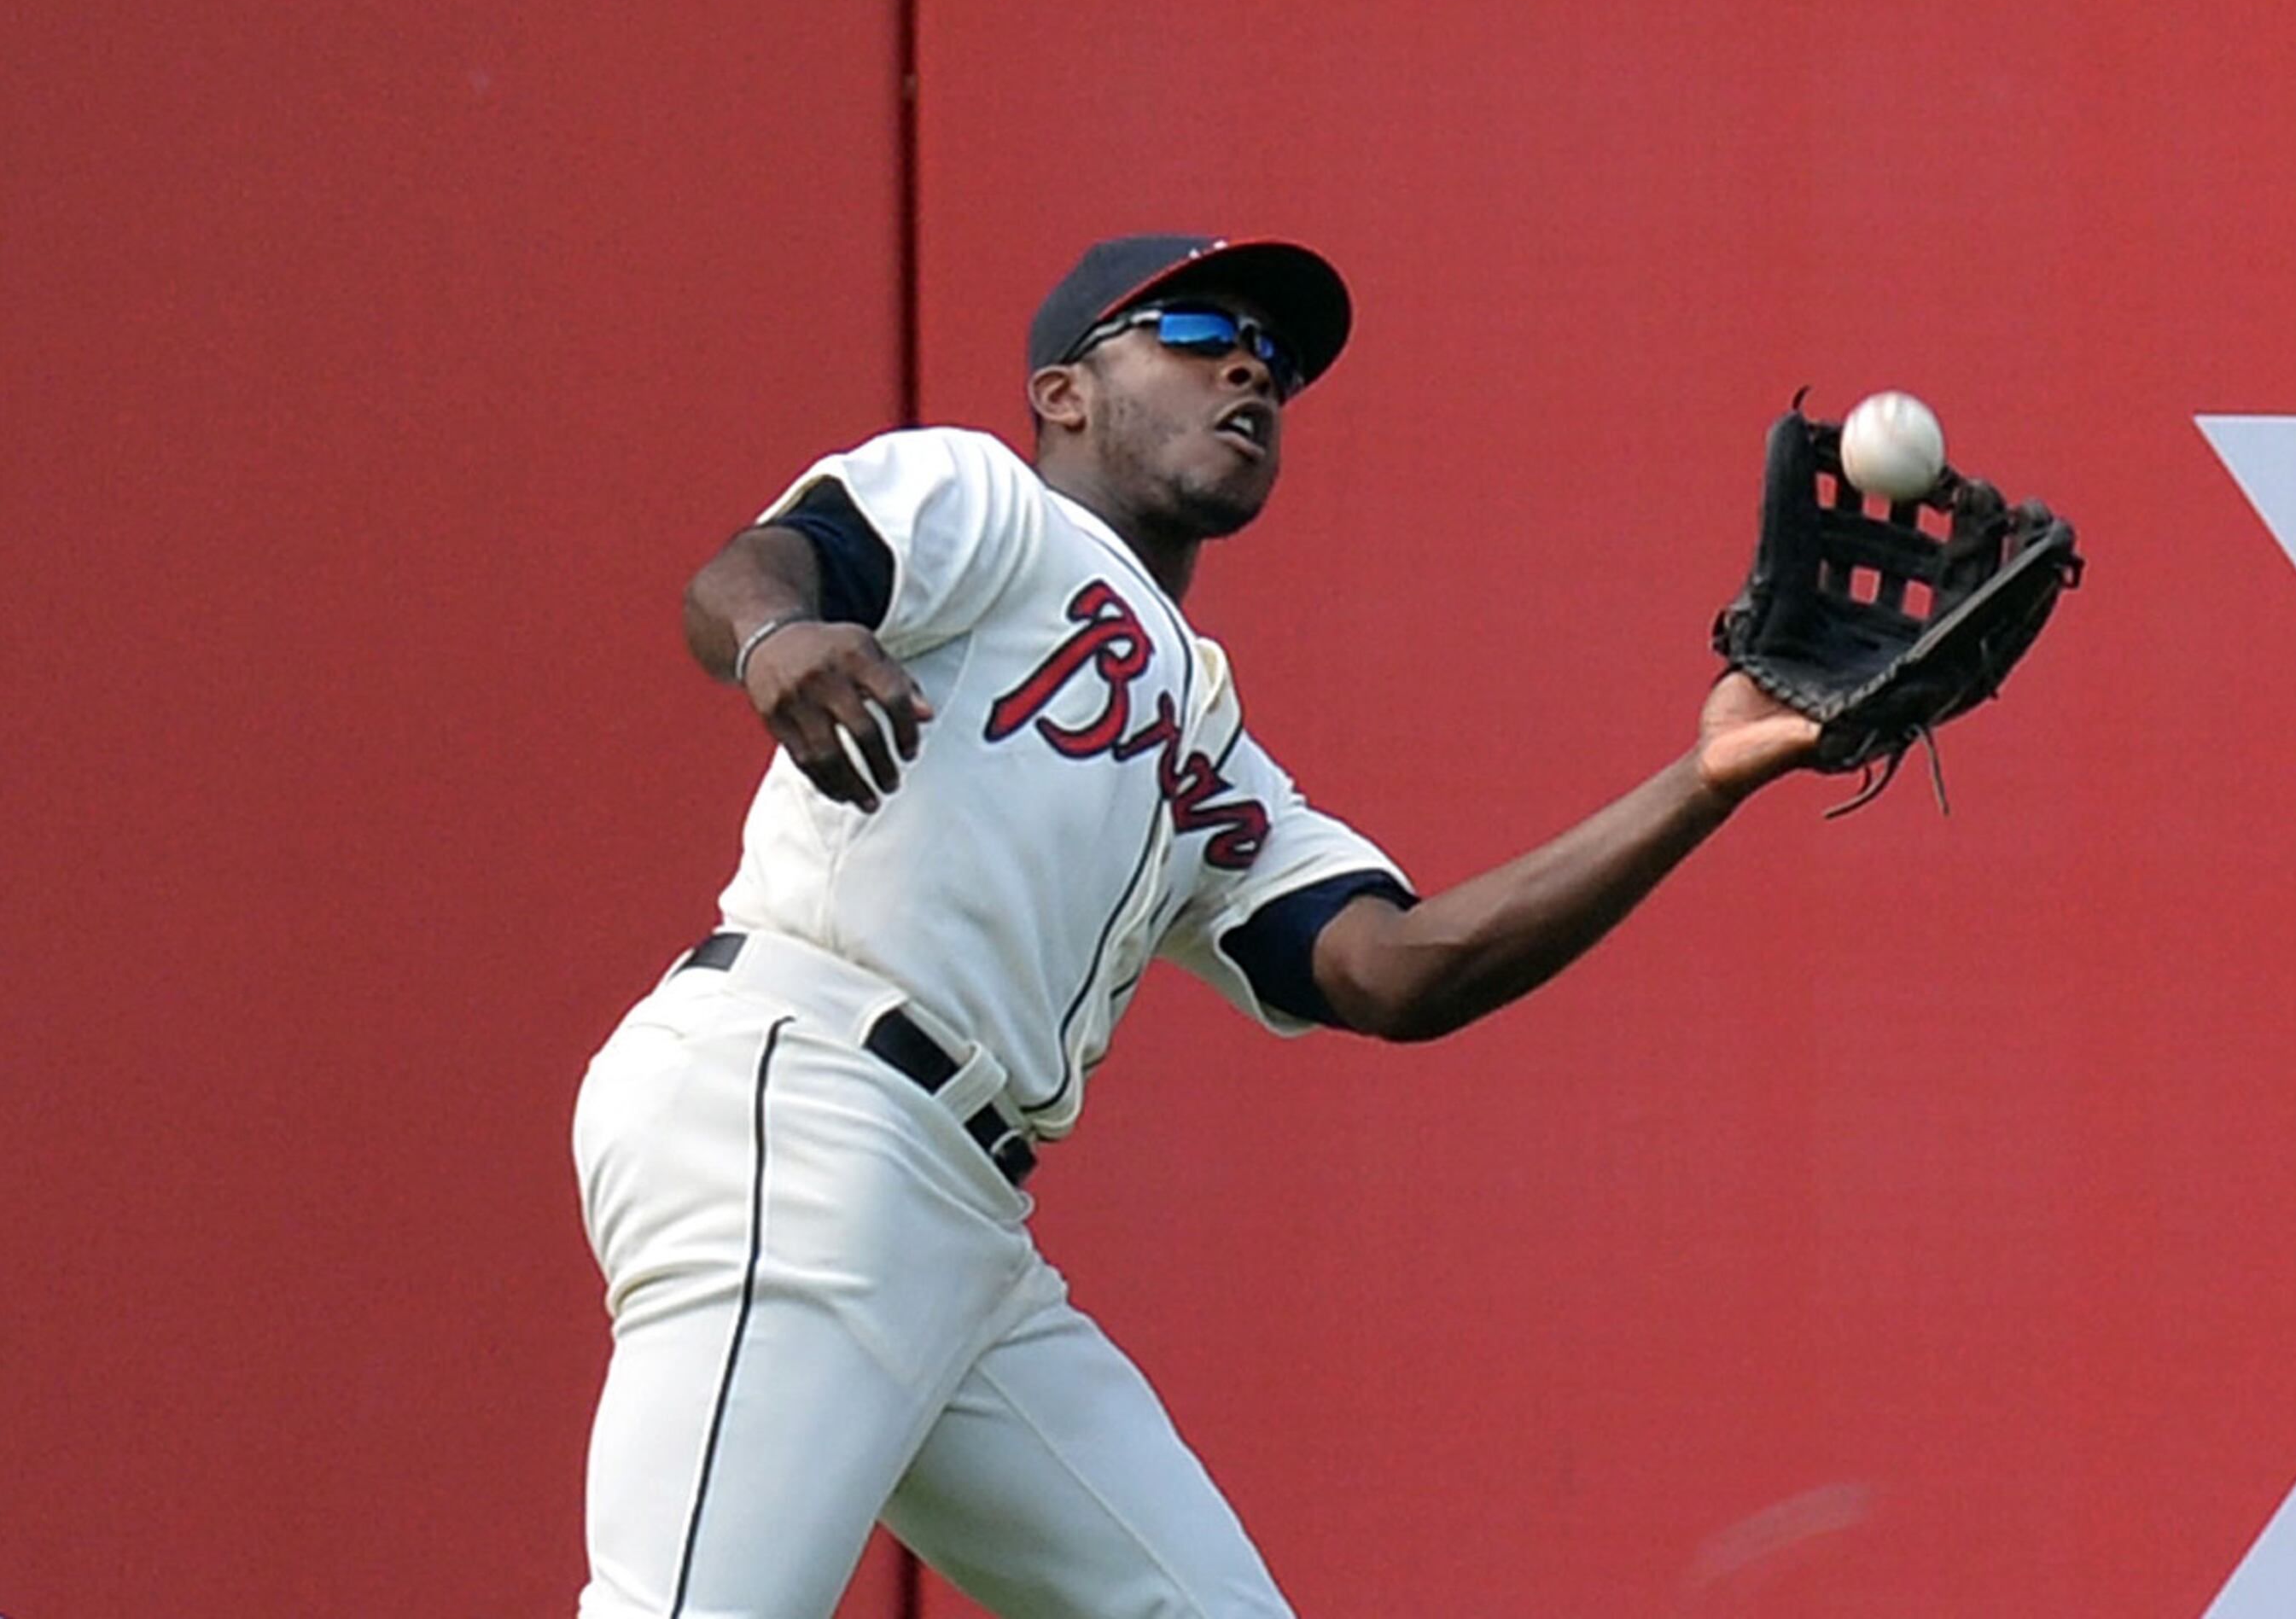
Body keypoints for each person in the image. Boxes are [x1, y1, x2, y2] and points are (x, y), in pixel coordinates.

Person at [572, 234, 1825, 1618]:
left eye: (1274, 360)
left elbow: (1398, 968)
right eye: (1194, 330)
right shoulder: (986, 500)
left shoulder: (1207, 742)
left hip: (962, 1221)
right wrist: (773, 641)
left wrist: (1709, 776)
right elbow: (755, 572)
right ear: (1063, 394)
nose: (1250, 368)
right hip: (804, 1101)